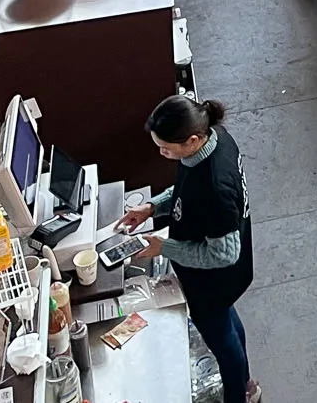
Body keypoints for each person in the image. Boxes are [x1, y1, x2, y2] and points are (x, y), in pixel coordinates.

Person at [124, 94, 258, 403]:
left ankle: (239, 396)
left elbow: (223, 254)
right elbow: (185, 191)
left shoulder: (216, 188)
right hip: (220, 279)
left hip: (215, 279)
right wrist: (151, 208)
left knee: (223, 342)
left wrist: (165, 248)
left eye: (166, 148)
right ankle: (246, 384)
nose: (161, 153)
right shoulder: (214, 139)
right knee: (226, 322)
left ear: (193, 140)